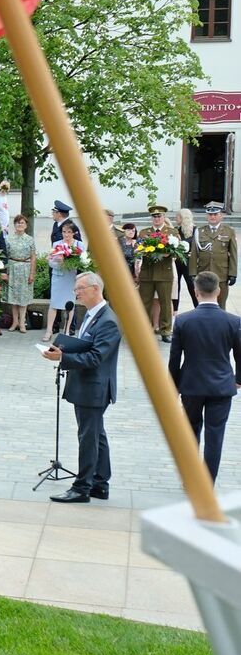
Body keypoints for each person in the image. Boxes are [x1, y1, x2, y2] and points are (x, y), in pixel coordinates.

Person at [42, 272, 120, 503]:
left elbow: (96, 357)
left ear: (95, 289)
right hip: (86, 385)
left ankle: (82, 487)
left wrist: (62, 358)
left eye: (80, 288)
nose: (76, 293)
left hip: (94, 388)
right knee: (97, 435)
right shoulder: (91, 315)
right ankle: (100, 483)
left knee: (88, 437)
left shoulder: (108, 321)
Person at [169, 272, 241, 483]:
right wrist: (238, 379)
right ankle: (208, 481)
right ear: (218, 291)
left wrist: (174, 385)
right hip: (221, 385)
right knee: (215, 435)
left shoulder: (183, 320)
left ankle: (190, 478)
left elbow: (174, 358)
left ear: (195, 291)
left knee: (190, 432)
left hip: (191, 384)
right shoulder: (233, 321)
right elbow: (239, 354)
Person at [137, 204, 176, 343]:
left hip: (164, 272)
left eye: (159, 216)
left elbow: (176, 251)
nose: (157, 219)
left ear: (164, 217)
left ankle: (166, 330)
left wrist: (167, 252)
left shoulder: (172, 232)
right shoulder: (144, 232)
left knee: (165, 302)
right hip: (147, 272)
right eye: (154, 216)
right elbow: (139, 249)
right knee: (144, 303)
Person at [190, 201, 238, 310]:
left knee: (221, 305)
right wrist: (193, 272)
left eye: (215, 214)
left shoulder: (229, 231)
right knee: (202, 304)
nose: (212, 217)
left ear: (221, 215)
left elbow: (233, 255)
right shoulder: (199, 231)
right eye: (210, 214)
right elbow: (194, 254)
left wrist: (232, 274)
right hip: (203, 273)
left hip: (221, 274)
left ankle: (220, 327)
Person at [44, 221, 83, 341]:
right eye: (64, 232)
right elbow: (50, 261)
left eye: (69, 232)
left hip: (70, 277)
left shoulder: (79, 244)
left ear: (74, 233)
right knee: (54, 303)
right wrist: (59, 263)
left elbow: (83, 261)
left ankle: (66, 330)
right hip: (58, 276)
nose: (66, 234)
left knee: (69, 304)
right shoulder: (57, 243)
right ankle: (49, 331)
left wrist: (71, 262)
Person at [5, 214, 37, 333]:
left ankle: (22, 323)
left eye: (22, 223)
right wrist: (5, 272)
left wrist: (32, 273)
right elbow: (5, 256)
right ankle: (15, 322)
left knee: (23, 298)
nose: (20, 225)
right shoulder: (8, 238)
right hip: (12, 268)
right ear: (14, 225)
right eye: (18, 222)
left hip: (25, 269)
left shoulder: (30, 239)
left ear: (26, 225)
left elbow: (33, 257)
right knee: (13, 298)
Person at [173, 208, 199, 311]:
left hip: (189, 263)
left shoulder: (196, 230)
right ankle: (174, 311)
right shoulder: (176, 230)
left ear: (183, 218)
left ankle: (198, 309)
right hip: (177, 262)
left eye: (178, 217)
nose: (176, 218)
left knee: (192, 286)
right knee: (175, 287)